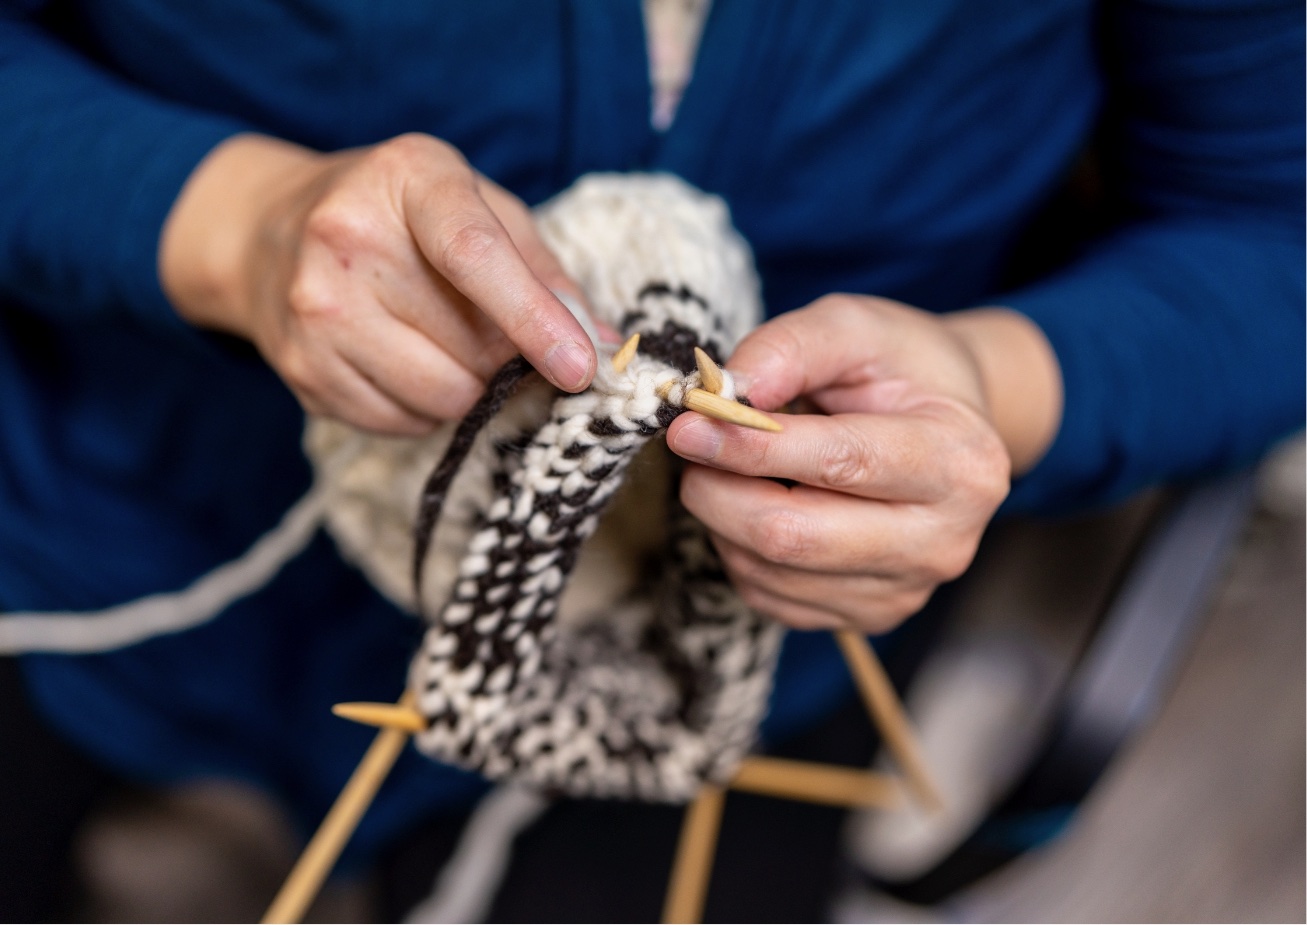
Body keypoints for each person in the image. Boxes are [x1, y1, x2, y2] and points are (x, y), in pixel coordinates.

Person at [0, 0, 1301, 918]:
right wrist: (236, 225)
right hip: (83, 521)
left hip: (718, 663)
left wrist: (992, 385)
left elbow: (1271, 229)